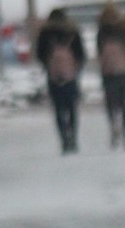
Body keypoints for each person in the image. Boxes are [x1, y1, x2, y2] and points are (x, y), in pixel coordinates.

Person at [34, 8, 86, 153]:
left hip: (54, 76)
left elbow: (40, 54)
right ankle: (74, 137)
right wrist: (75, 68)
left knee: (58, 109)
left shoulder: (45, 33)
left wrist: (48, 65)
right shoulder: (72, 32)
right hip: (70, 76)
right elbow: (80, 54)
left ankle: (64, 138)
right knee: (72, 108)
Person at [95, 3, 125, 150]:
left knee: (111, 103)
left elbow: (99, 51)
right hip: (124, 72)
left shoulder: (102, 32)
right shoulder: (124, 29)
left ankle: (114, 127)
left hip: (108, 72)